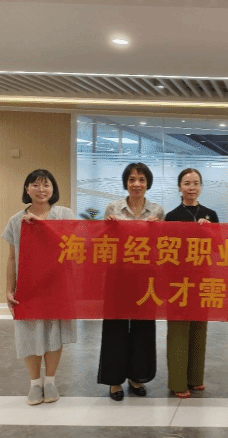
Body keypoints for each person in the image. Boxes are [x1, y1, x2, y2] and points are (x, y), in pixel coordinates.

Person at [3, 169, 77, 405]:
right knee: (28, 333)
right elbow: (12, 258)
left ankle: (50, 381)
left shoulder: (64, 214)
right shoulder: (16, 220)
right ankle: (35, 383)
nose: (41, 190)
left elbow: (75, 244)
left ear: (53, 189)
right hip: (28, 287)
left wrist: (43, 225)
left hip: (57, 285)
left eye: (46, 185)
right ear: (27, 189)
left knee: (54, 332)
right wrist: (9, 289)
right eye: (35, 185)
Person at [97, 162, 165, 401]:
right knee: (115, 327)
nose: (137, 184)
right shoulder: (113, 208)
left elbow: (163, 246)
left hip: (145, 277)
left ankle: (138, 376)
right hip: (117, 276)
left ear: (148, 183)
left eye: (142, 180)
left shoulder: (157, 210)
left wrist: (157, 230)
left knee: (142, 328)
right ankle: (114, 380)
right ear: (126, 183)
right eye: (132, 179)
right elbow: (104, 243)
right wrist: (108, 227)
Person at [164, 168, 219, 398]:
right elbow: (165, 249)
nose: (191, 187)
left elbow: (218, 247)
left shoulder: (211, 214)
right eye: (187, 183)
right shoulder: (171, 216)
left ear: (201, 187)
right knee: (178, 330)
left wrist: (209, 231)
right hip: (177, 280)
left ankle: (195, 378)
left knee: (199, 329)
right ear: (179, 187)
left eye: (196, 183)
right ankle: (178, 382)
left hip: (202, 278)